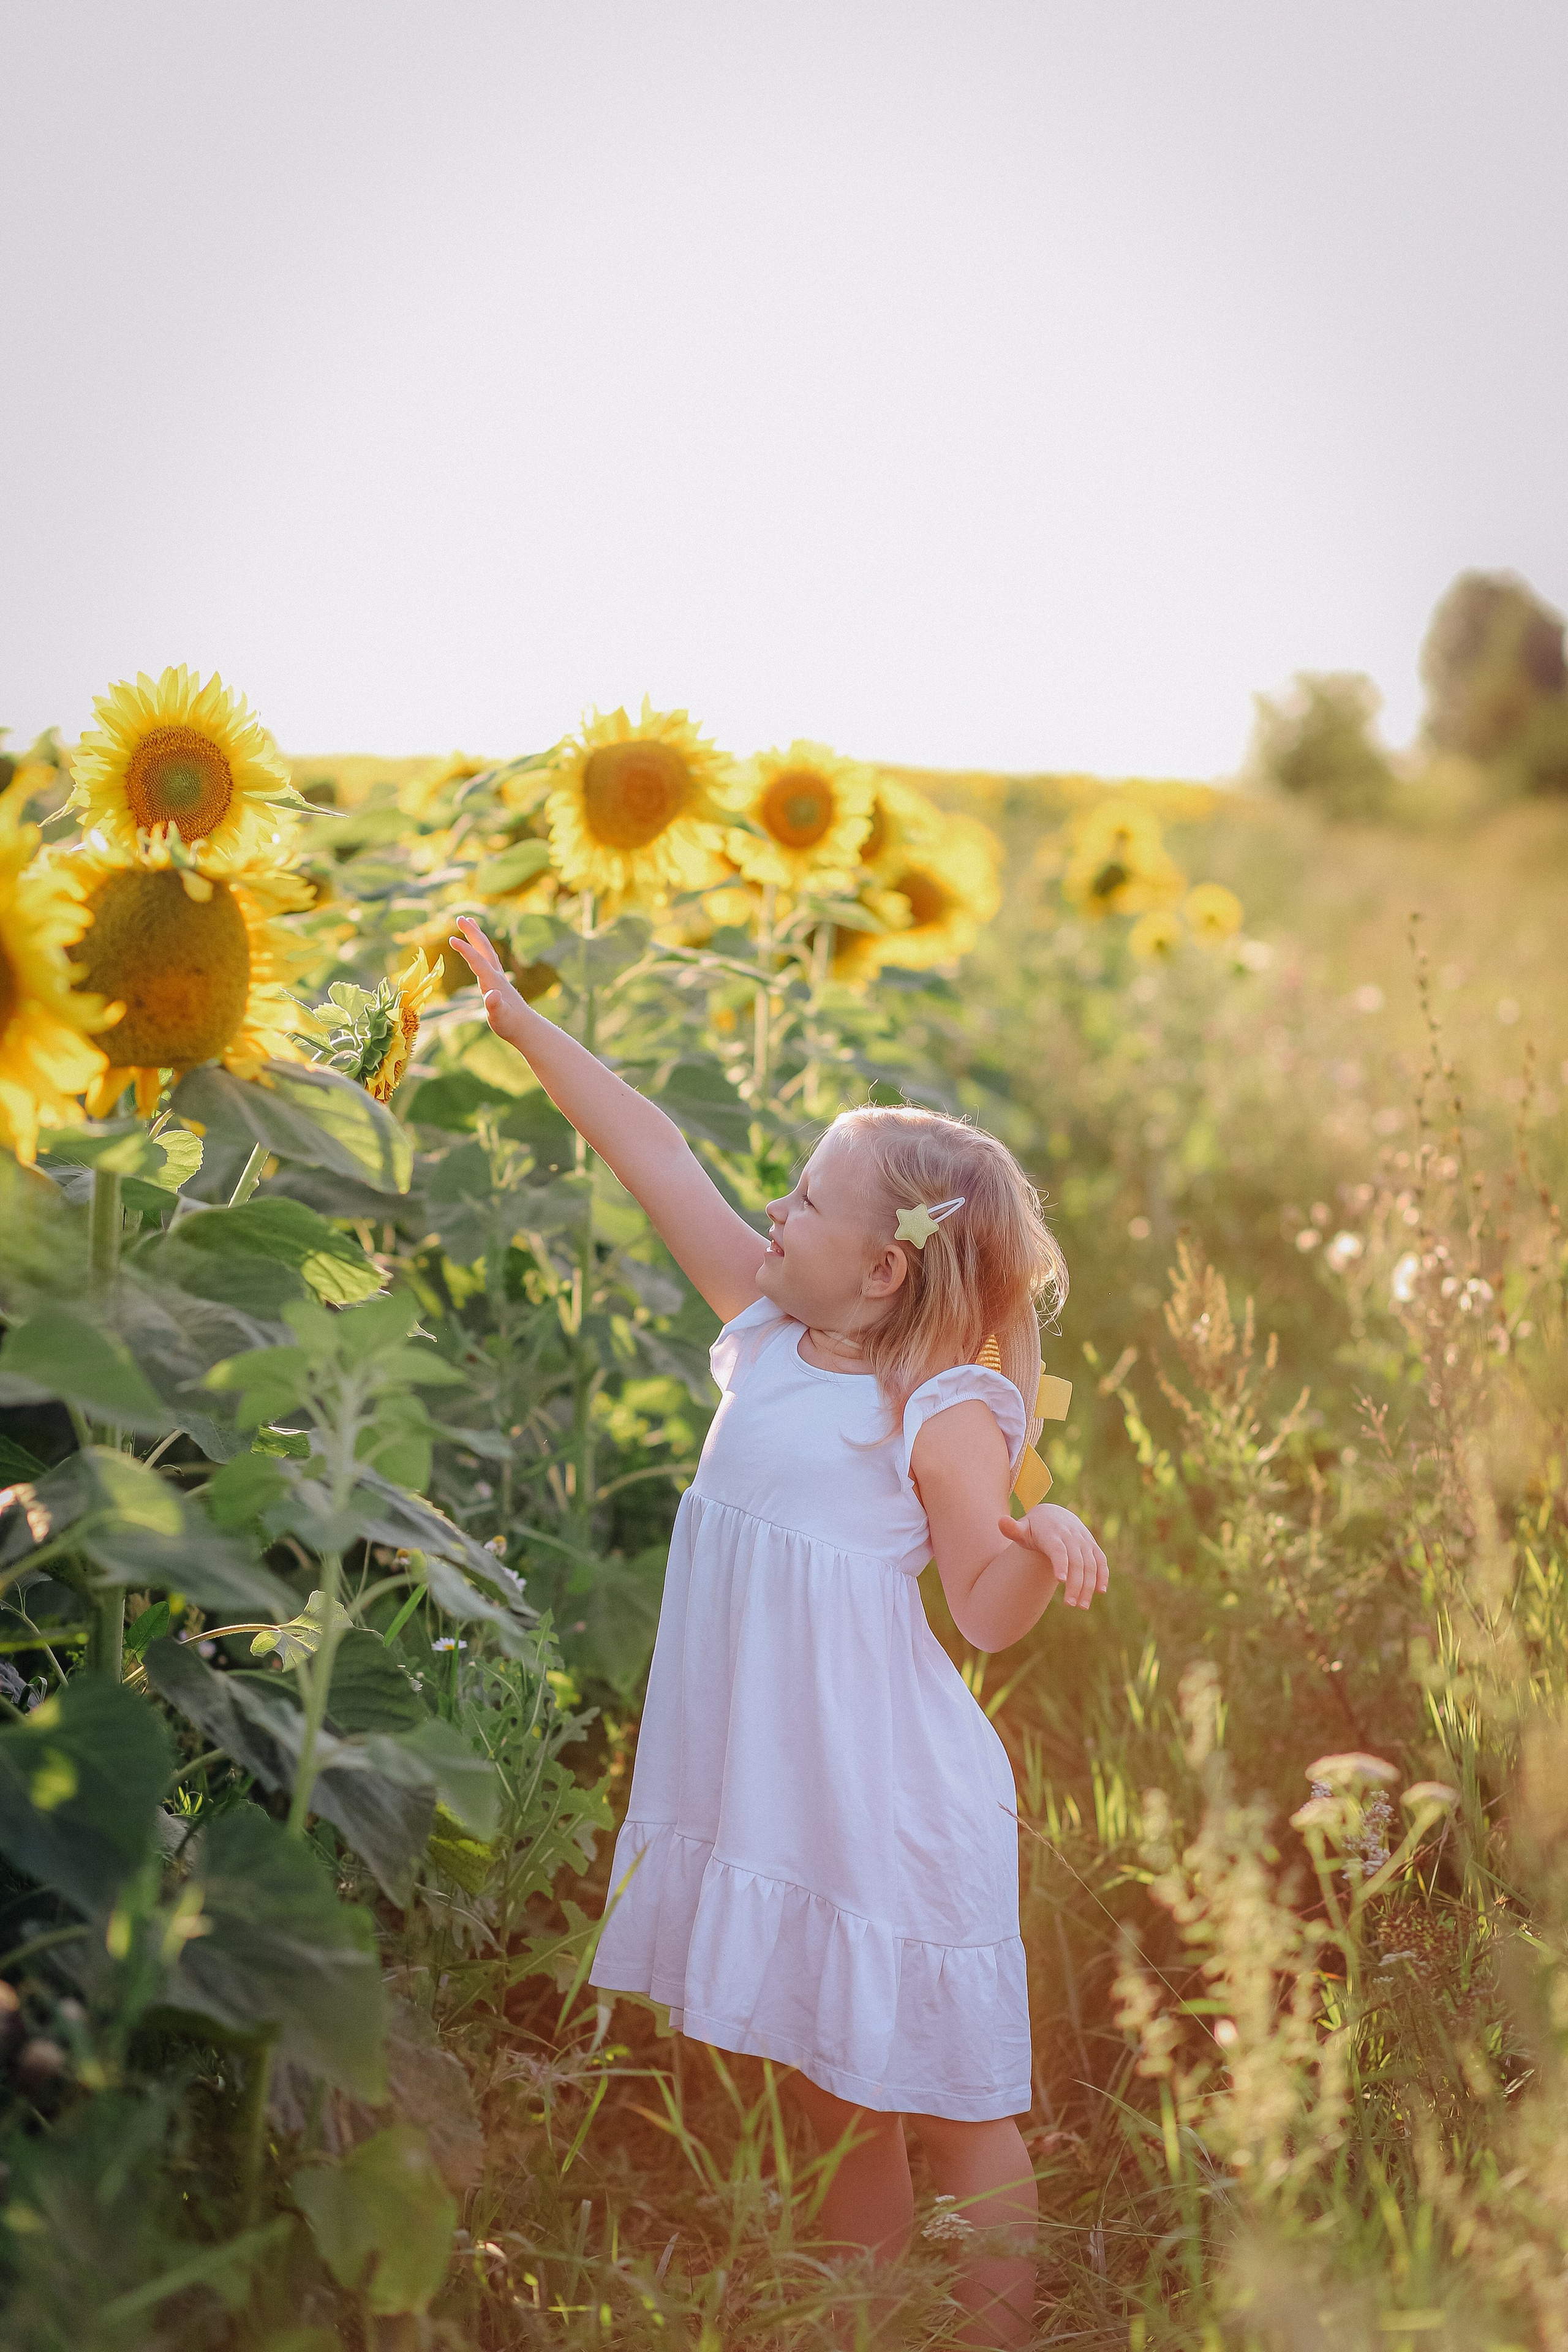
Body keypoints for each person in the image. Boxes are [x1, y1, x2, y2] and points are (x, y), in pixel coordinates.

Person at [447, 916, 1110, 2348]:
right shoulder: (762, 1331)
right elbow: (658, 1155)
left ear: (882, 1271)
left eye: (804, 1202)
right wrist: (517, 1021)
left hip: (891, 1799)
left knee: (960, 2104)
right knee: (832, 2080)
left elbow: (981, 1617)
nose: (773, 1215)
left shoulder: (934, 1413)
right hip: (794, 1791)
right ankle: (857, 2319)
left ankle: (1000, 2333)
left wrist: (1040, 1546)